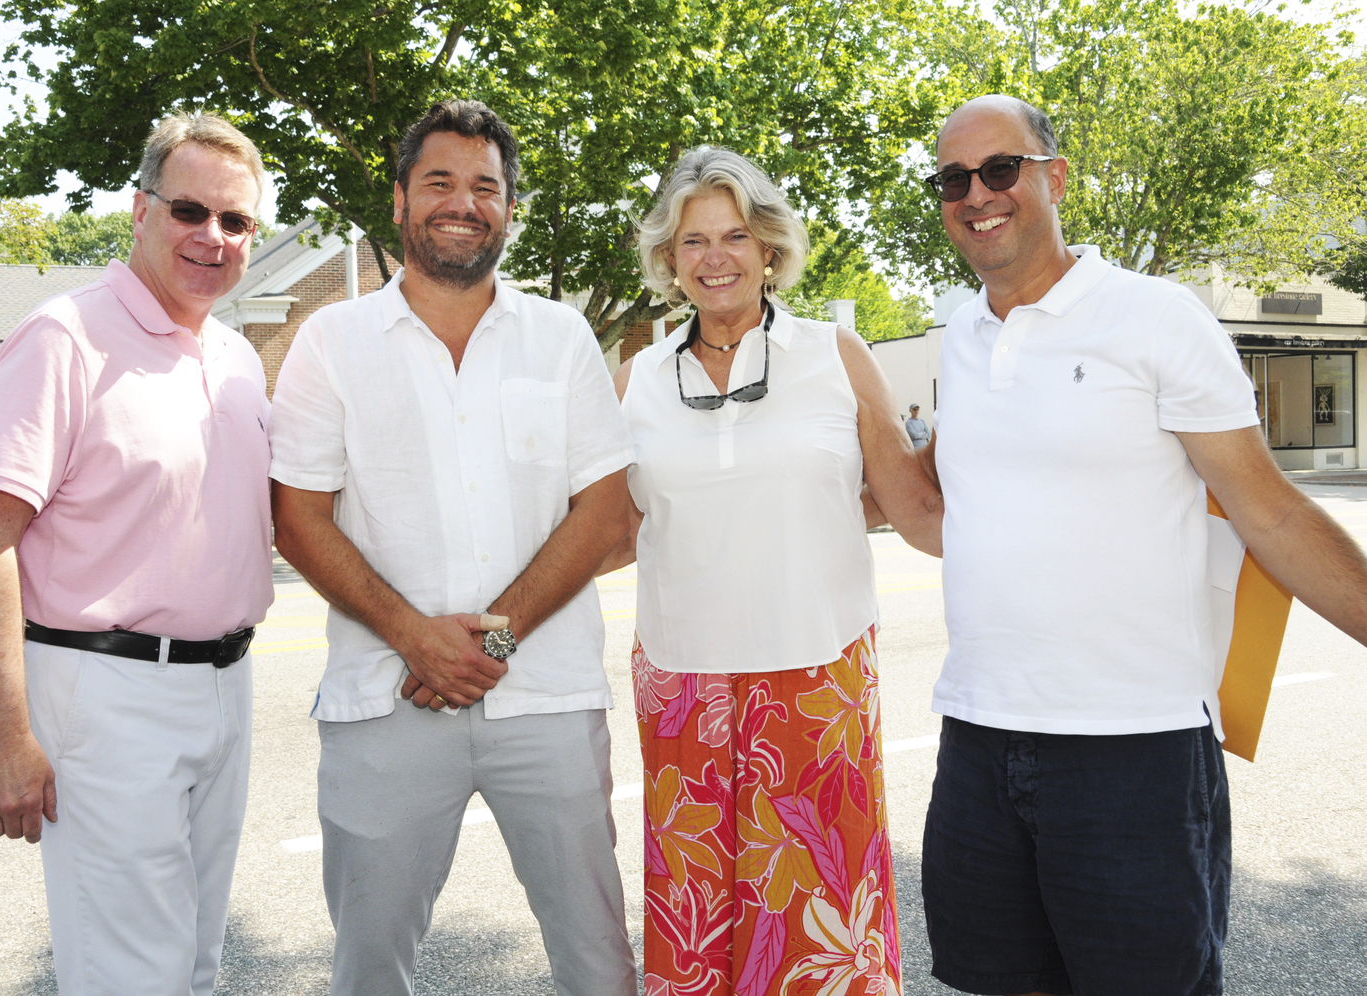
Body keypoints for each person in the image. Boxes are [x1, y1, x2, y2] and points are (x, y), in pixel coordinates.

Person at [918, 94, 1367, 996]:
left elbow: (1267, 512)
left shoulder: (1155, 317)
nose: (977, 194)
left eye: (1000, 169)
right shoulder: (960, 337)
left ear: (1053, 178)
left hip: (1134, 750)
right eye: (953, 178)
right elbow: (928, 497)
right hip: (976, 739)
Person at [268, 100, 639, 995]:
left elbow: (605, 513)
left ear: (509, 208)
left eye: (486, 186)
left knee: (597, 959)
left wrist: (487, 642)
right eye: (439, 181)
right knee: (369, 965)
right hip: (383, 703)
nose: (462, 202)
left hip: (546, 703)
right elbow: (298, 518)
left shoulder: (559, 338)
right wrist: (415, 638)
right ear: (399, 199)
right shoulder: (332, 341)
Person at [602, 146, 944, 996]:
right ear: (669, 259)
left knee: (819, 922)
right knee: (700, 919)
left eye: (733, 237)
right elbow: (611, 531)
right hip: (684, 687)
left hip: (816, 681)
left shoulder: (836, 355)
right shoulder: (635, 380)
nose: (714, 258)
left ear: (768, 249)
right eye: (692, 242)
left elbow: (914, 509)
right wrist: (496, 607)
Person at [0, 114, 274, 996]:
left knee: (194, 963)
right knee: (130, 975)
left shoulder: (240, 358)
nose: (212, 237)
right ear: (139, 211)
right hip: (107, 692)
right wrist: (2, 735)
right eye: (188, 210)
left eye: (236, 221)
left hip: (227, 685)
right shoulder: (64, 339)